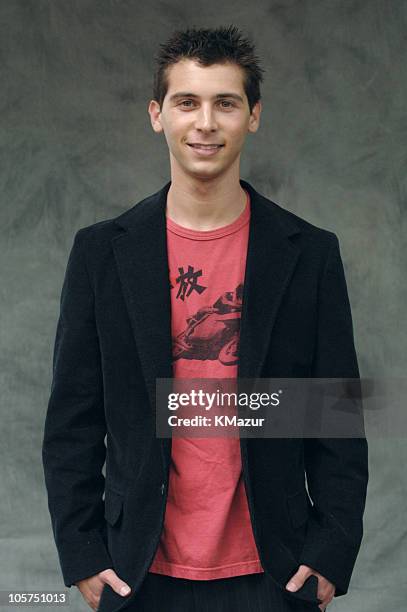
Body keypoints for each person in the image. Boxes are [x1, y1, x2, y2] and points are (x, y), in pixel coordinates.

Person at [42, 25, 368, 612]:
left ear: (254, 115)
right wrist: (83, 552)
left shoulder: (308, 252)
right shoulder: (101, 254)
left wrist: (333, 547)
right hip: (137, 567)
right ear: (156, 115)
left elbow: (335, 415)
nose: (206, 122)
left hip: (276, 567)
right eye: (186, 102)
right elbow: (73, 420)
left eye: (226, 103)